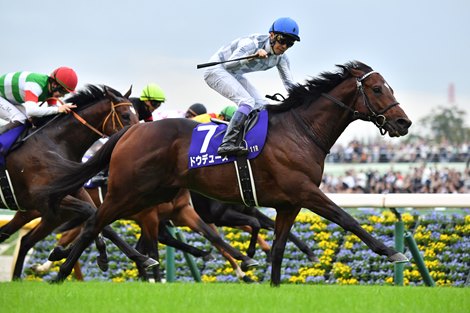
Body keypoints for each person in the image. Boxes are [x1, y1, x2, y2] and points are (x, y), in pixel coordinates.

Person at [203, 17, 300, 156]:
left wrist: (304, 99)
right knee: (247, 101)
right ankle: (227, 143)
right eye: (282, 40)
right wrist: (252, 56)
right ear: (271, 35)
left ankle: (248, 139)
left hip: (233, 74)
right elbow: (228, 64)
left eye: (290, 43)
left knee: (263, 106)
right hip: (216, 70)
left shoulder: (282, 59)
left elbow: (290, 85)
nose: (284, 46)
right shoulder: (252, 44)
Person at [0, 67, 78, 134]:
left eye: (66, 93)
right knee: (20, 118)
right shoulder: (35, 85)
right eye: (63, 91)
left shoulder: (50, 90)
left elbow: (52, 110)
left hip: (7, 99)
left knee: (28, 120)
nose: (63, 96)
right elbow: (32, 111)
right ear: (54, 85)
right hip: (3, 97)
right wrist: (58, 109)